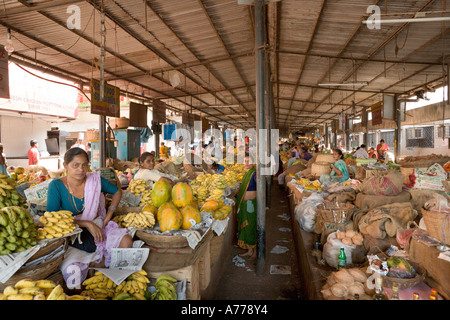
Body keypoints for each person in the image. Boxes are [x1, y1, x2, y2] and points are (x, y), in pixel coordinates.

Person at [46, 147, 132, 256]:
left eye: (84, 165)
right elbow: (51, 218)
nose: (81, 169)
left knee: (126, 241)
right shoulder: (56, 186)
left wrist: (109, 213)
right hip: (72, 230)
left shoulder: (94, 180)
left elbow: (117, 192)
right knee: (75, 266)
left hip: (97, 224)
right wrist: (87, 224)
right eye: (75, 165)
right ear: (65, 166)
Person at [236, 154, 257, 260]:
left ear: (253, 163)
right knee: (246, 228)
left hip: (250, 204)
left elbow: (260, 188)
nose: (246, 163)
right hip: (245, 204)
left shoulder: (254, 174)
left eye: (248, 161)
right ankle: (249, 251)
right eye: (245, 161)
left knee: (251, 226)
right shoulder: (247, 174)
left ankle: (255, 252)